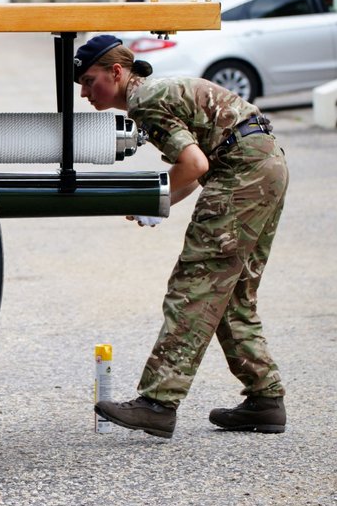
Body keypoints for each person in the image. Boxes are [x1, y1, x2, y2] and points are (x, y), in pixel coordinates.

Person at [75, 34, 288, 438]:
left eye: (89, 80)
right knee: (231, 293)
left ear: (116, 72)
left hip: (242, 172)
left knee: (195, 286)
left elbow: (193, 163)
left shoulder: (144, 100)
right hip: (263, 165)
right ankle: (265, 400)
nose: (85, 92)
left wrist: (161, 197)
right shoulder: (154, 91)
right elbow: (197, 165)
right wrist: (163, 201)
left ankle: (158, 403)